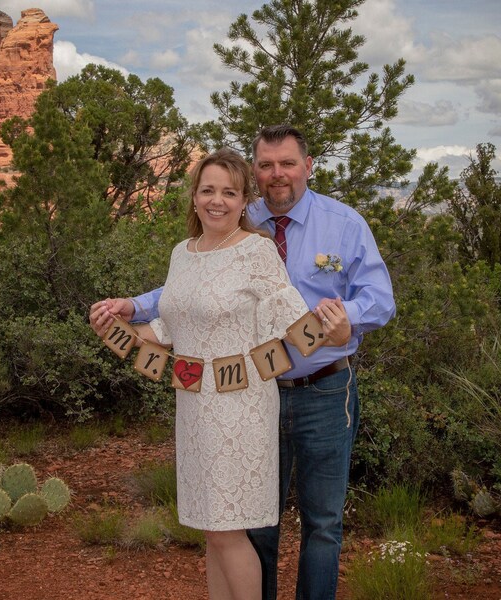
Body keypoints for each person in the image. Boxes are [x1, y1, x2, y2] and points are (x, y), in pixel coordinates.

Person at [91, 125, 396, 600]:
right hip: (215, 402)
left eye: (288, 163)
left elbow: (362, 304)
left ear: (307, 166)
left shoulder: (325, 228)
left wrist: (345, 323)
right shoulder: (226, 226)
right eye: (267, 165)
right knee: (242, 528)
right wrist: (123, 316)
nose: (278, 173)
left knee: (320, 524)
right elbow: (182, 304)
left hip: (316, 387)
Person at [90, 147, 310, 600]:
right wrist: (116, 328)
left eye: (229, 192)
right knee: (211, 530)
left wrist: (331, 327)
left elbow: (294, 322)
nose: (217, 200)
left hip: (241, 407)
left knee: (229, 530)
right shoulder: (182, 254)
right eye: (208, 190)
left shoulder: (257, 251)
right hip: (193, 405)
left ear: (243, 200)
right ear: (194, 197)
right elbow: (167, 329)